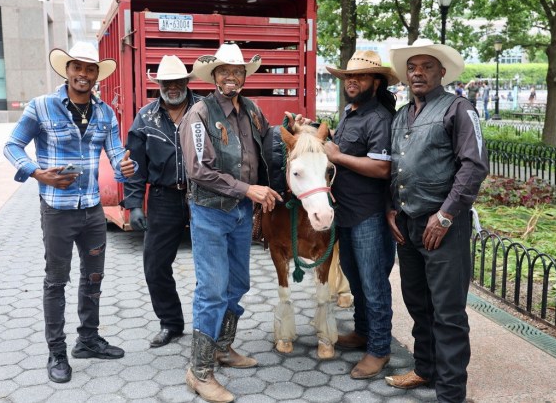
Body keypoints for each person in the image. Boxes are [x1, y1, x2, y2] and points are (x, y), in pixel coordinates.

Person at [3, 42, 136, 384]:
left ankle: (88, 340)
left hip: (92, 211)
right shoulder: (42, 107)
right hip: (57, 210)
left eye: (90, 69)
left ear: (96, 76)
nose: (83, 74)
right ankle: (57, 352)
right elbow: (12, 145)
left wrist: (126, 168)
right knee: (56, 281)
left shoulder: (105, 113)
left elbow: (118, 158)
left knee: (94, 278)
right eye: (77, 67)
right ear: (67, 70)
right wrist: (35, 172)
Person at [180, 42, 305, 403]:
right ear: (214, 76)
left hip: (240, 213)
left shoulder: (251, 110)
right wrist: (248, 188)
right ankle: (199, 371)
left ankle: (222, 347)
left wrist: (292, 129)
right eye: (224, 72)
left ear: (244, 76)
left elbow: (268, 142)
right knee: (213, 289)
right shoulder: (199, 114)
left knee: (238, 282)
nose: (231, 77)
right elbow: (198, 169)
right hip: (210, 212)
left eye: (237, 71)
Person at [384, 39, 489, 403]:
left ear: (441, 72)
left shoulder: (459, 109)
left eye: (427, 66)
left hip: (444, 226)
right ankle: (425, 367)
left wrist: (445, 215)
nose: (418, 73)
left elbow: (474, 167)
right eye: (412, 67)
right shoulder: (401, 115)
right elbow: (394, 167)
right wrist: (391, 208)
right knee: (417, 302)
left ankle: (450, 393)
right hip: (409, 224)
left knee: (447, 311)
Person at [323, 50, 397, 379]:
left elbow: (382, 167)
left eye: (361, 76)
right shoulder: (350, 112)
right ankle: (363, 332)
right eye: (348, 77)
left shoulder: (378, 117)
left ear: (376, 82)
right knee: (355, 280)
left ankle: (379, 349)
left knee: (373, 284)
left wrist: (337, 156)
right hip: (346, 212)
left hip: (369, 215)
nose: (352, 81)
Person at [123, 55, 199, 348]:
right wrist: (133, 205)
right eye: (167, 82)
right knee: (155, 265)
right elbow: (135, 163)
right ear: (160, 85)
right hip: (163, 198)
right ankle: (171, 324)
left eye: (179, 81)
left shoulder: (204, 109)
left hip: (202, 196)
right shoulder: (145, 117)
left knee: (209, 265)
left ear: (187, 82)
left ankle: (210, 327)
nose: (174, 87)